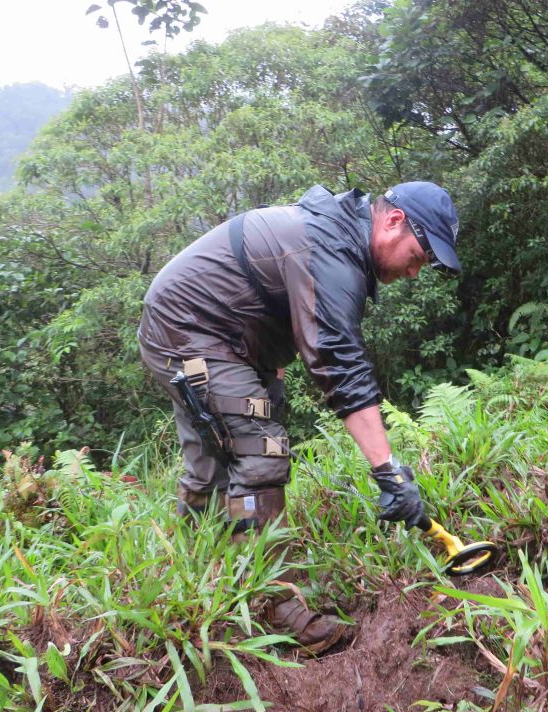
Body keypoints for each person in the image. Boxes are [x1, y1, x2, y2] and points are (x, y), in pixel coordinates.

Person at [137, 181, 461, 653]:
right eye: (420, 254)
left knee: (211, 463)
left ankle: (191, 578)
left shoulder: (333, 236)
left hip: (209, 334)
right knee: (263, 452)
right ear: (394, 221)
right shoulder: (331, 251)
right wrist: (388, 472)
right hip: (191, 332)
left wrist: (269, 371)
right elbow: (340, 365)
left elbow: (276, 299)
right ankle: (275, 610)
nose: (416, 271)